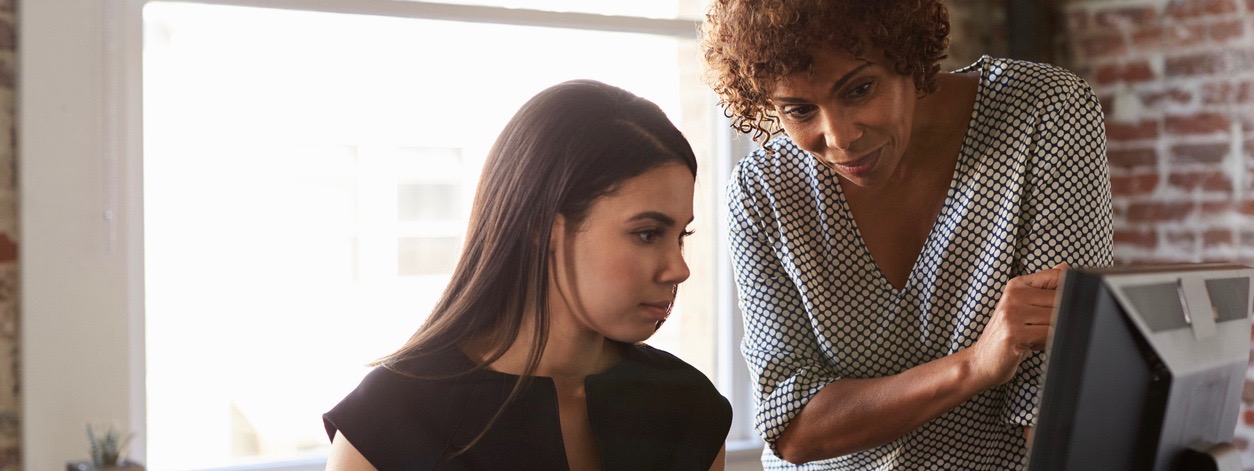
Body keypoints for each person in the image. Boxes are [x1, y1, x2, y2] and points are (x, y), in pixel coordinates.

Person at [700, 0, 1113, 469]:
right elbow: (791, 428)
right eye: (798, 109)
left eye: (859, 90)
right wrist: (974, 366)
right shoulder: (764, 191)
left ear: (908, 55)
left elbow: (1053, 393)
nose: (838, 136)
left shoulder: (1043, 112)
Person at [322, 80, 732, 471]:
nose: (679, 268)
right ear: (541, 226)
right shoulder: (390, 418)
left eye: (681, 236)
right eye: (647, 234)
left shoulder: (692, 408)